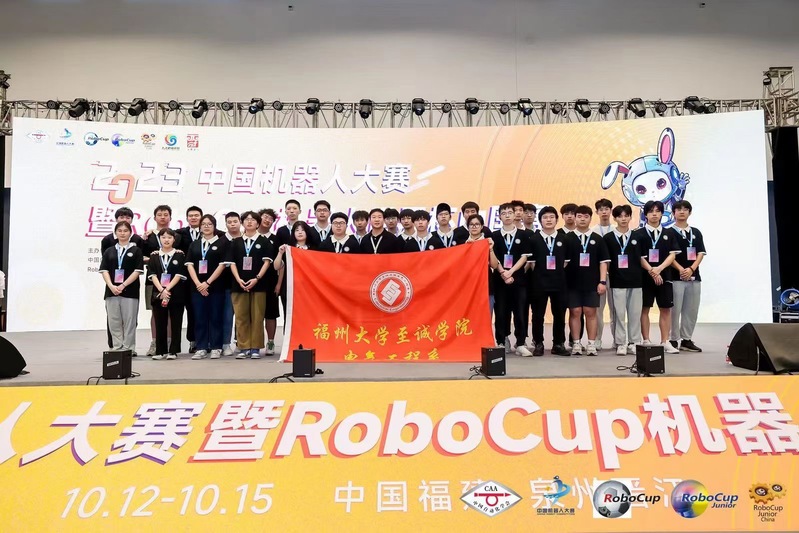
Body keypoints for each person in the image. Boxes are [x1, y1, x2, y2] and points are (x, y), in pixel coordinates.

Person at [228, 211, 276, 359]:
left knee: (257, 317)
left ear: (258, 223)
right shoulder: (235, 242)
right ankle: (243, 347)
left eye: (253, 220)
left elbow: (267, 262)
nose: (249, 222)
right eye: (246, 220)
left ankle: (255, 347)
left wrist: (257, 278)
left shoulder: (264, 242)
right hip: (239, 285)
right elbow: (232, 263)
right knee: (241, 317)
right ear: (242, 223)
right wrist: (238, 279)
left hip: (259, 285)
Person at [634, 200, 681, 354]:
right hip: (644, 277)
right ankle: (646, 340)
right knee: (644, 308)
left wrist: (659, 269)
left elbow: (672, 255)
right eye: (651, 211)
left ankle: (665, 341)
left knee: (665, 309)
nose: (654, 214)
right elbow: (638, 257)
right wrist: (652, 271)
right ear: (645, 214)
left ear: (662, 213)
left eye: (657, 211)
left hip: (665, 276)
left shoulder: (669, 233)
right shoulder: (638, 234)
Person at [564, 205, 610, 356]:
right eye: (579, 216)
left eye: (586, 217)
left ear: (590, 218)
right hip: (572, 283)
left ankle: (591, 343)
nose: (582, 219)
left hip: (592, 282)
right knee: (575, 312)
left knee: (591, 312)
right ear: (575, 218)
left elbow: (603, 262)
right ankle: (576, 343)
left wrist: (602, 282)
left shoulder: (597, 239)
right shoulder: (567, 238)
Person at [490, 202, 533, 357]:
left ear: (515, 215)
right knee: (501, 312)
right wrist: (503, 272)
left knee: (520, 311)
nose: (507, 215)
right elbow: (493, 258)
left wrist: (511, 272)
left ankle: (520, 343)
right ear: (499, 216)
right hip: (500, 280)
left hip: (519, 280)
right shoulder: (494, 236)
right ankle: (502, 341)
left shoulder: (524, 235)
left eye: (510, 212)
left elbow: (524, 257)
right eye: (504, 213)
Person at [100, 207, 145, 349]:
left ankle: (128, 348)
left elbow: (138, 270)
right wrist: (111, 286)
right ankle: (117, 346)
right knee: (114, 320)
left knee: (130, 321)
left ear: (130, 232)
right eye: (119, 230)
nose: (122, 233)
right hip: (111, 290)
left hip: (130, 290)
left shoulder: (136, 250)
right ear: (115, 232)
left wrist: (123, 285)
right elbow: (104, 270)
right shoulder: (109, 250)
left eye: (125, 231)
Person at [527, 206, 570, 356]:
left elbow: (566, 262)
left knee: (559, 314)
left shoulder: (564, 238)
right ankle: (538, 343)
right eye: (545, 217)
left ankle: (558, 343)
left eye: (552, 217)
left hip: (559, 282)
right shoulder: (533, 239)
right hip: (539, 282)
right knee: (538, 315)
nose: (549, 220)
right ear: (540, 221)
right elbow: (531, 263)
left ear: (557, 220)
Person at [186, 215, 229, 359]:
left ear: (214, 226)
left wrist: (208, 283)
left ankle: (216, 347)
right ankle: (201, 347)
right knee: (199, 318)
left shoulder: (222, 243)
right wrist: (199, 284)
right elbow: (189, 265)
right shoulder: (195, 244)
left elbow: (222, 265)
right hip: (197, 288)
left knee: (216, 317)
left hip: (216, 287)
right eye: (203, 224)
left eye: (209, 224)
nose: (206, 226)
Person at [603, 204, 644, 355]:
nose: (623, 219)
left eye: (626, 215)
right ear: (615, 218)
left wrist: (653, 271)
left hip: (636, 281)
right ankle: (620, 342)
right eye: (620, 216)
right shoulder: (608, 238)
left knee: (635, 314)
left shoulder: (638, 237)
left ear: (630, 217)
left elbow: (642, 259)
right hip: (617, 281)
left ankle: (634, 342)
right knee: (619, 314)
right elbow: (606, 262)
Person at [143, 205, 182, 356]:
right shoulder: (149, 237)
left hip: (174, 287)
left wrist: (167, 289)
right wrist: (161, 289)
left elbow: (180, 270)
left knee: (174, 317)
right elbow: (143, 257)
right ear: (154, 217)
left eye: (166, 214)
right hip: (155, 285)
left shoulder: (178, 237)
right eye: (159, 214)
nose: (163, 217)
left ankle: (172, 346)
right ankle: (157, 345)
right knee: (157, 314)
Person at [670, 200, 706, 352]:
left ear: (690, 212)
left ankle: (686, 339)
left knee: (691, 310)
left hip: (694, 276)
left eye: (685, 209)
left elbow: (701, 253)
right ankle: (673, 339)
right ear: (673, 213)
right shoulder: (668, 232)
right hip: (675, 277)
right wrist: (681, 269)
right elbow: (668, 256)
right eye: (678, 209)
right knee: (674, 310)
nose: (682, 212)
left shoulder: (696, 232)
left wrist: (691, 269)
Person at [147, 228, 187, 360]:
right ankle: (160, 351)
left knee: (176, 322)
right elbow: (152, 275)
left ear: (174, 239)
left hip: (176, 293)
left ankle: (173, 351)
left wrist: (167, 289)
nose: (166, 240)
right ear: (159, 239)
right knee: (160, 322)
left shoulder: (180, 255)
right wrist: (161, 290)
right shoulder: (154, 256)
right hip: (159, 293)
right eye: (163, 237)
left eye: (169, 237)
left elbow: (179, 274)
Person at [177, 205, 204, 354]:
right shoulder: (179, 234)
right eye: (191, 215)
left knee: (204, 310)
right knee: (191, 310)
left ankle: (206, 340)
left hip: (205, 278)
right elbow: (164, 237)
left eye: (196, 215)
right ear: (187, 218)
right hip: (186, 279)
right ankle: (193, 340)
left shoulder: (213, 233)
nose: (193, 218)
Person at [591, 198, 614, 350]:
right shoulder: (592, 231)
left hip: (616, 275)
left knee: (616, 309)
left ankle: (617, 339)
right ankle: (597, 339)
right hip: (599, 276)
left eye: (607, 209)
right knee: (598, 310)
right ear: (597, 212)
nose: (604, 212)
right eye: (601, 209)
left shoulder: (617, 229)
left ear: (611, 211)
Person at [258, 208, 281, 355]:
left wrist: (278, 283)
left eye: (270, 219)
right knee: (252, 314)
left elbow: (281, 264)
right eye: (265, 217)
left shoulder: (275, 239)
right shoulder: (248, 236)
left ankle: (271, 342)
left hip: (271, 281)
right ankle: (249, 343)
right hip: (251, 281)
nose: (267, 220)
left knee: (271, 313)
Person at [465, 214, 498, 316]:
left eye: (477, 224)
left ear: (482, 226)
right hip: (468, 287)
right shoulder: (463, 244)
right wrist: (466, 248)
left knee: (485, 318)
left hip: (486, 285)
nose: (474, 227)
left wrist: (490, 249)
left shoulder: (488, 242)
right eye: (471, 224)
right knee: (469, 319)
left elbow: (494, 265)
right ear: (468, 227)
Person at [221, 212, 242, 356]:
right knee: (227, 316)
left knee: (242, 316)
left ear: (240, 222)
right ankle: (226, 344)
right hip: (226, 284)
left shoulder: (246, 239)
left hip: (243, 283)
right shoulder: (221, 241)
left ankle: (240, 342)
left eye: (235, 221)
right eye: (229, 222)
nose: (233, 224)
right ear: (226, 224)